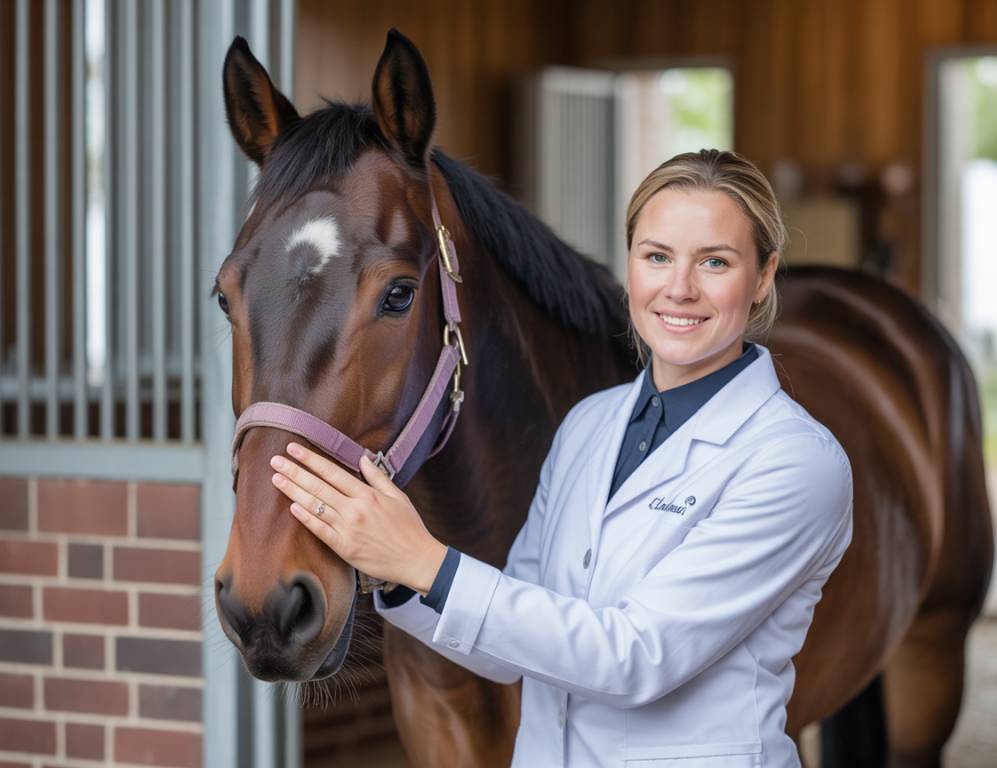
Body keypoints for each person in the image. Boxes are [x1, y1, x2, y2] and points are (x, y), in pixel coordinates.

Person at [269, 149, 854, 767]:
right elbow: (506, 642)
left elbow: (637, 657)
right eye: (656, 256)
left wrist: (426, 559)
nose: (678, 288)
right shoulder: (588, 425)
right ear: (630, 265)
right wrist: (395, 572)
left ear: (763, 277)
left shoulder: (793, 462)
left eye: (714, 261)